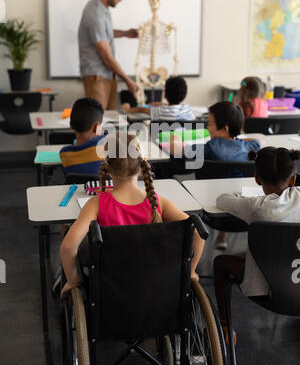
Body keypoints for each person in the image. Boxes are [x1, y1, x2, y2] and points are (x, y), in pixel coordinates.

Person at [60, 134, 205, 298]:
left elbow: (67, 247)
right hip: (158, 285)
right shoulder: (158, 203)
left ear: (108, 166)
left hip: (112, 287)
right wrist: (191, 272)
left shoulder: (96, 203)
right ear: (142, 163)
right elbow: (199, 234)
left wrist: (73, 281)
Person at [213, 147, 300, 343]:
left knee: (220, 262)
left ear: (257, 178)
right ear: (294, 179)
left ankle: (226, 328)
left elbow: (221, 200)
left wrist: (241, 196)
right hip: (297, 285)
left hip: (264, 291)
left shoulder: (255, 207)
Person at [170, 101, 264, 250]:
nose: (207, 128)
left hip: (211, 210)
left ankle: (216, 238)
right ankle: (222, 237)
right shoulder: (252, 148)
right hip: (246, 214)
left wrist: (175, 139)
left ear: (225, 128)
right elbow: (258, 140)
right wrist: (235, 140)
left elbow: (177, 151)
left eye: (210, 124)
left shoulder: (209, 149)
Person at [78, 0, 139, 110]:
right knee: (97, 123)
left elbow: (105, 34)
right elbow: (105, 55)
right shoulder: (94, 13)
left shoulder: (103, 8)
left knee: (109, 123)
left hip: (108, 76)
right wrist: (128, 80)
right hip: (96, 78)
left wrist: (125, 33)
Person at [59, 97, 106, 175]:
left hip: (79, 187)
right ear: (96, 126)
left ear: (70, 125)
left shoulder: (65, 154)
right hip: (108, 186)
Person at [121, 76, 195, 121]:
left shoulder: (159, 111)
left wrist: (127, 109)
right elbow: (173, 108)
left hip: (162, 143)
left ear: (165, 95)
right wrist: (162, 104)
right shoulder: (187, 109)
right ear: (184, 95)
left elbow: (141, 109)